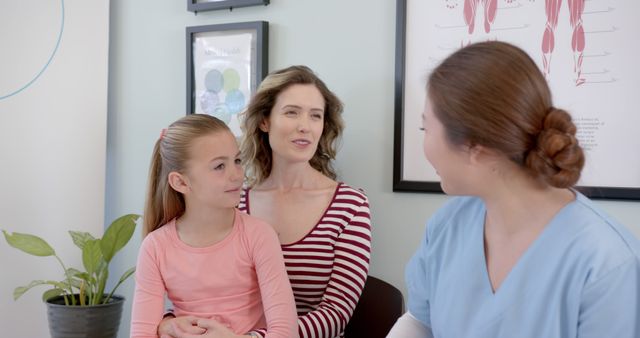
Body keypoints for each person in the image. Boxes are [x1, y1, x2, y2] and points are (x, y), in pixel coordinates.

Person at [387, 41, 640, 338]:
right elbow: (420, 322)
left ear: (473, 147)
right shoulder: (447, 226)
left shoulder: (606, 262)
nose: (424, 145)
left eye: (425, 129)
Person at [159, 66, 372, 338]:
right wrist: (167, 321)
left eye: (315, 116)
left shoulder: (350, 206)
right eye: (291, 112)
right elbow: (191, 283)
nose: (305, 126)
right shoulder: (234, 200)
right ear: (265, 121)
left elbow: (336, 314)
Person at [130, 114, 298, 338]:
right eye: (219, 166)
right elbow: (142, 333)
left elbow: (286, 332)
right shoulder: (155, 248)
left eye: (237, 161)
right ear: (180, 182)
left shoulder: (259, 236)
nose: (236, 175)